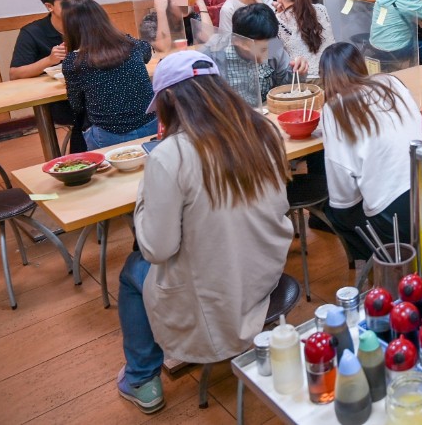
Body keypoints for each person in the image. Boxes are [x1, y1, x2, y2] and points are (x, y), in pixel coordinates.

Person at [116, 50, 292, 413]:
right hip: (266, 270)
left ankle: (141, 378)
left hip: (219, 293)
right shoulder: (262, 130)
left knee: (133, 271)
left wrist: (144, 195)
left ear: (169, 103)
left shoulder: (170, 156)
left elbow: (157, 250)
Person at [319, 43, 422, 261]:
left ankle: (381, 267)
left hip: (400, 213)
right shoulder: (390, 81)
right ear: (360, 65)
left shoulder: (334, 108)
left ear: (325, 77)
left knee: (336, 212)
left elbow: (342, 191)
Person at [60, 0, 157, 150]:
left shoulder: (73, 61)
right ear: (104, 19)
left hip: (108, 136)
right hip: (151, 126)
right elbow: (147, 52)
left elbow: (76, 105)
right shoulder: (131, 45)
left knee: (83, 127)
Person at [9, 0, 87, 152]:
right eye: (67, 3)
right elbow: (15, 74)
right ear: (49, 6)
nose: (75, 7)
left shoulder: (88, 23)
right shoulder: (32, 32)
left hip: (91, 89)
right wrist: (49, 60)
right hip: (59, 101)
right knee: (87, 116)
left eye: (78, 0)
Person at [211, 3, 308, 107]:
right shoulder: (217, 59)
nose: (266, 52)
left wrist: (297, 72)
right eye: (259, 49)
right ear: (238, 41)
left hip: (267, 113)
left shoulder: (273, 46)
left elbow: (285, 88)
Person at [274, 0, 335, 76]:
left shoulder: (277, 21)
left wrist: (277, 14)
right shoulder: (321, 9)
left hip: (304, 82)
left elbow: (276, 59)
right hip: (332, 74)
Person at [138, 0, 213, 51]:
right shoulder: (150, 21)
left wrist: (201, 5)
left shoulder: (191, 16)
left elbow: (209, 38)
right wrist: (161, 12)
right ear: (166, 3)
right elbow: (163, 48)